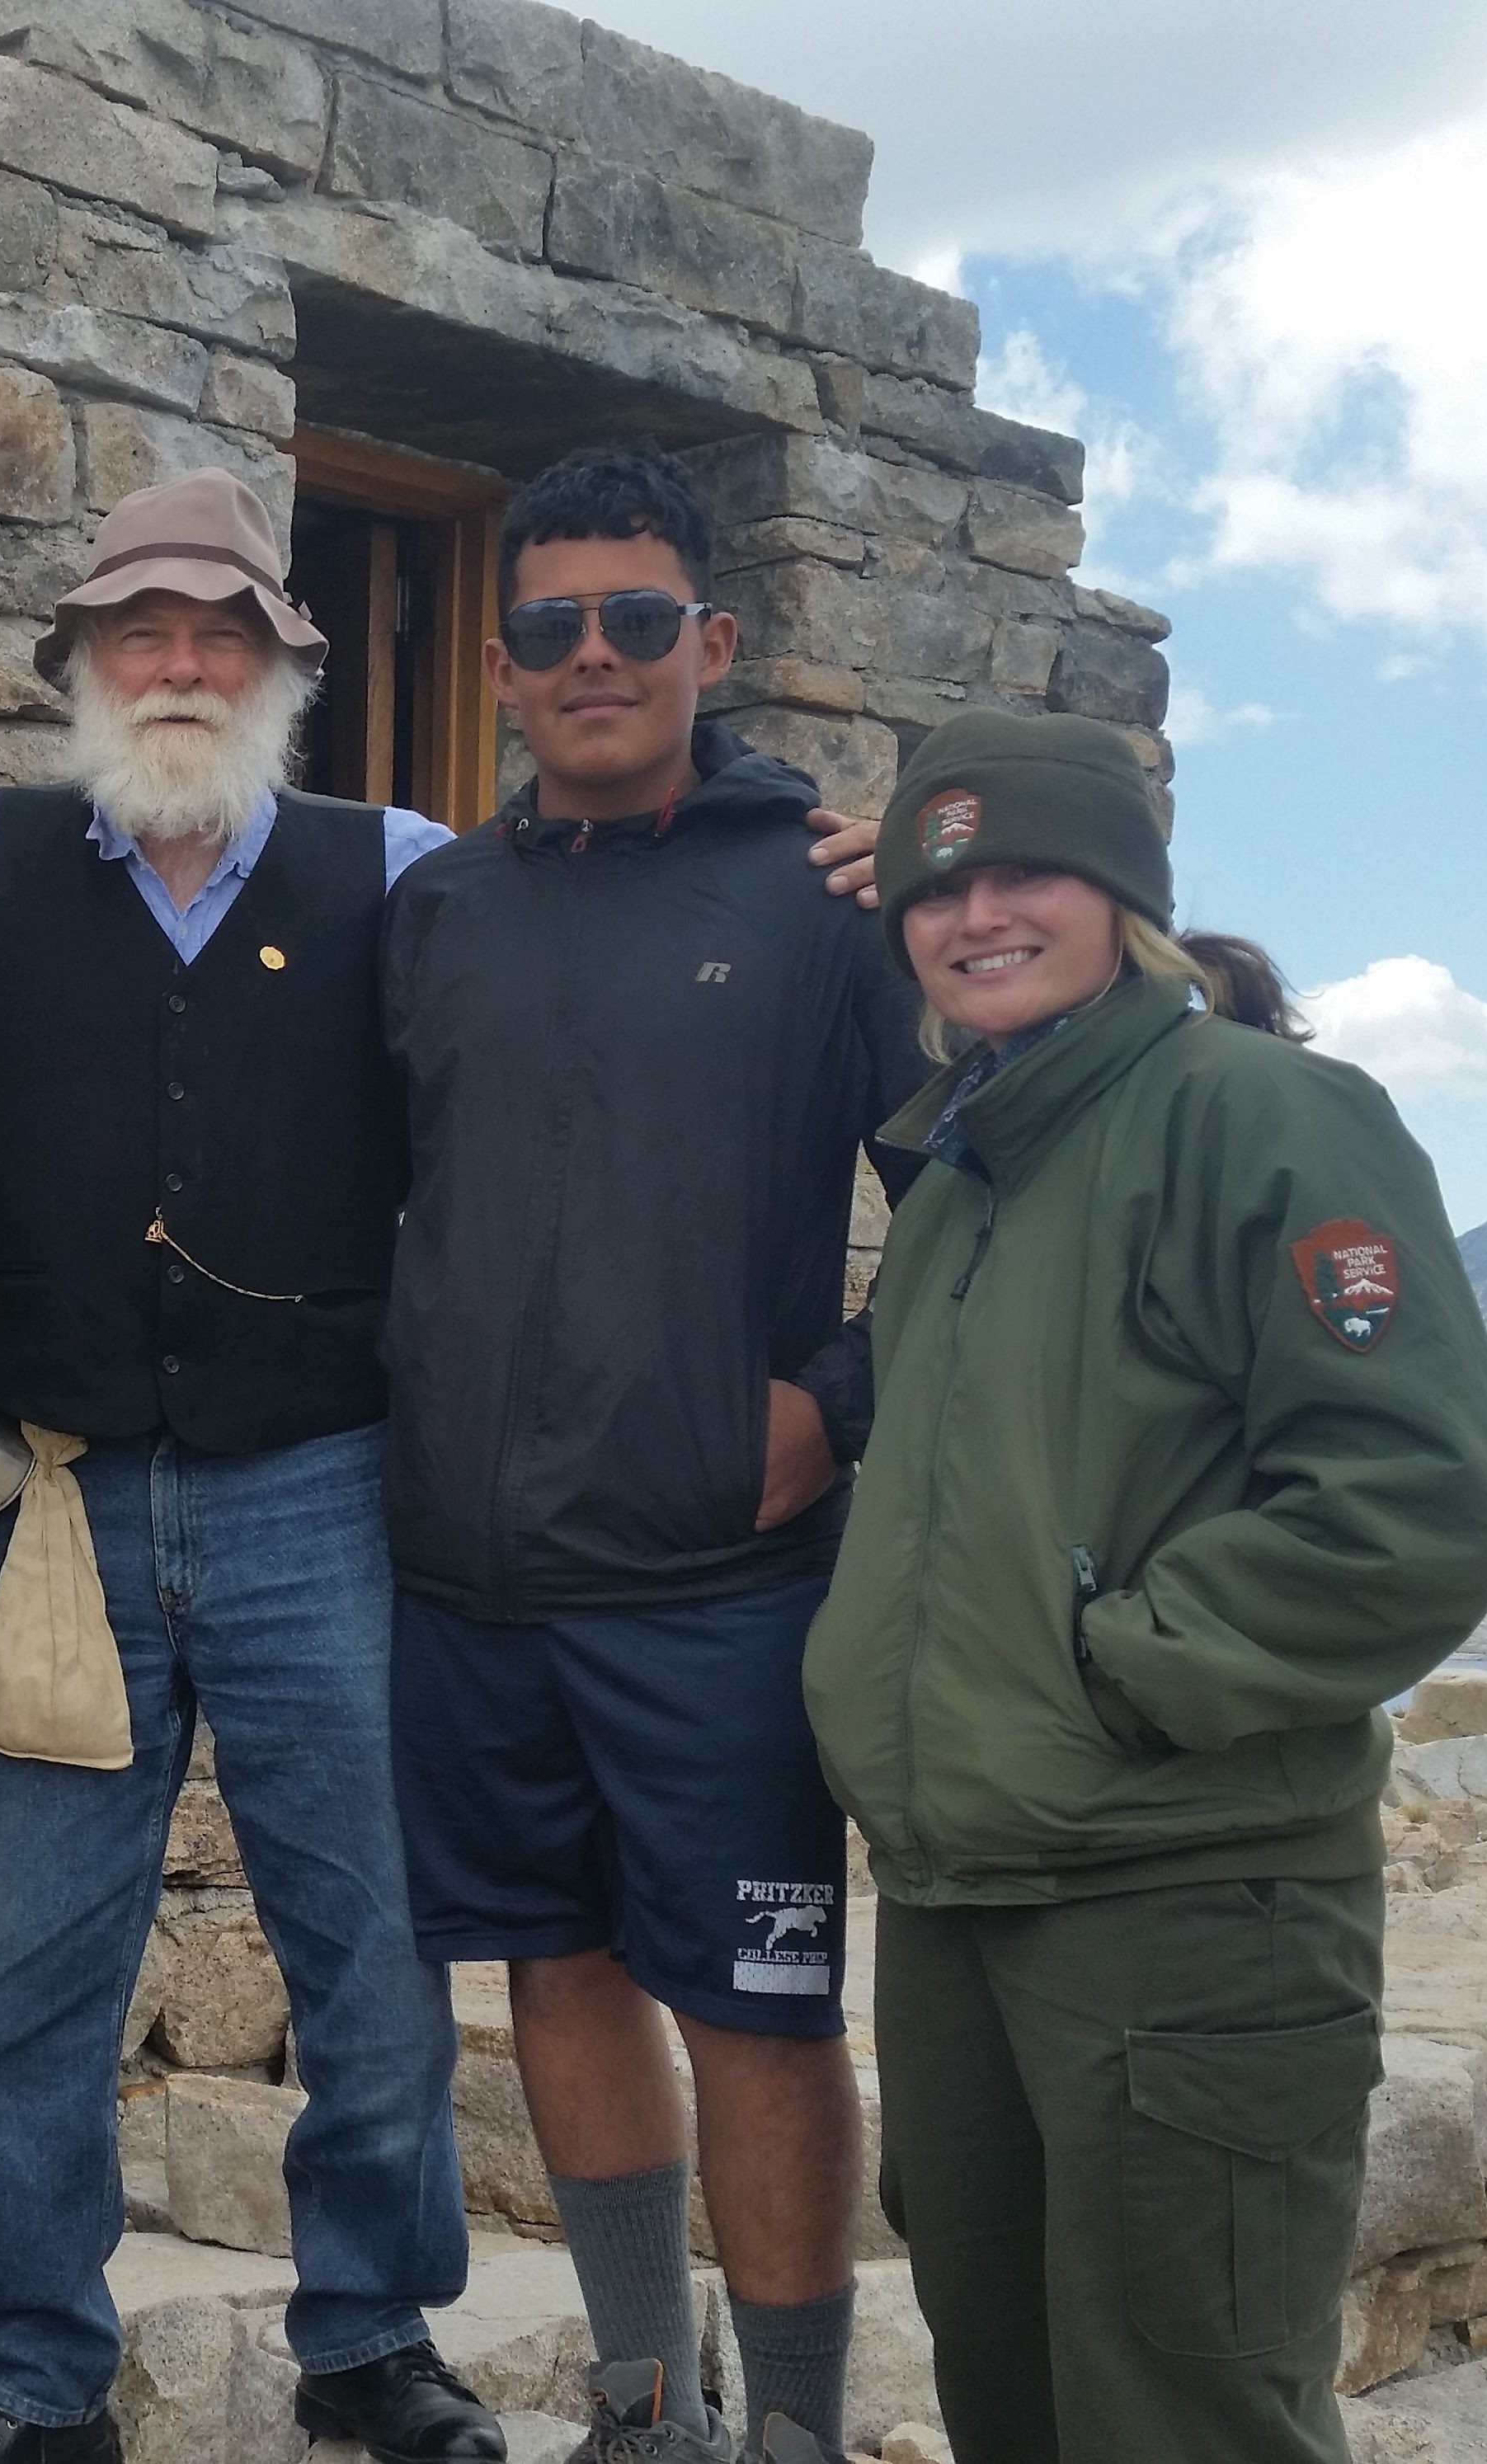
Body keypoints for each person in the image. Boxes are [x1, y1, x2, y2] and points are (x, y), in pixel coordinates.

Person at [809, 711, 1487, 2463]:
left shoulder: (1261, 1117)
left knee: (1186, 2415)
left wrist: (1115, 1677)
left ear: (1122, 894)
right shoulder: (965, 1168)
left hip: (1188, 1895)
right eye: (935, 886)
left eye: (1024, 873)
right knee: (1009, 2398)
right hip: (964, 1894)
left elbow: (1410, 1502)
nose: (976, 914)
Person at [0, 468, 494, 2464]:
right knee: (24, 1966)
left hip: (319, 1480)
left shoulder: (398, 869)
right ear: (77, 661)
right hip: (51, 1491)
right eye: (138, 632)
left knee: (371, 1945)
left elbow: (562, 992)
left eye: (220, 636)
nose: (177, 665)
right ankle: (34, 2382)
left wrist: (789, 846)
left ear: (279, 670)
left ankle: (369, 2340)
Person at [377, 443, 925, 2462]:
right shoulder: (437, 911)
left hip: (720, 1582)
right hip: (475, 1584)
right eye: (547, 625)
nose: (588, 655)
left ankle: (791, 2434)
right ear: (500, 666)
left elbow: (966, 1209)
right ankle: (641, 2409)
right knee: (557, 1974)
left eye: (631, 618)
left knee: (761, 2013)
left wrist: (827, 1412)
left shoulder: (829, 902)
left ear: (712, 641)